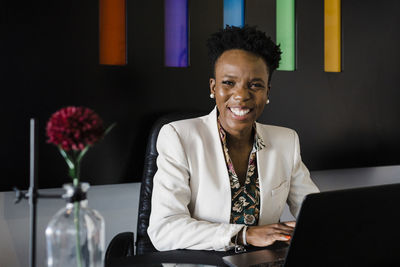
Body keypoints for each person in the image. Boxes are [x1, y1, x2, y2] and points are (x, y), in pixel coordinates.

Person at [148, 25, 319, 251]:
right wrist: (244, 235)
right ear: (213, 87)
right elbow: (164, 230)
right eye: (229, 83)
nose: (241, 96)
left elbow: (317, 213)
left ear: (268, 92)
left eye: (255, 85)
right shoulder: (179, 137)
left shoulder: (286, 141)